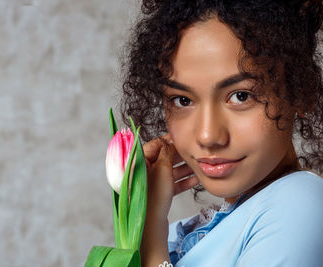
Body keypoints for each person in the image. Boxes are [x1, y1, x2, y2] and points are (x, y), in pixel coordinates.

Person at [119, 0, 323, 266]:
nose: (207, 135)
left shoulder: (300, 206)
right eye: (182, 100)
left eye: (240, 96)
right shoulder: (190, 233)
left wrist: (149, 242)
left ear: (301, 92)